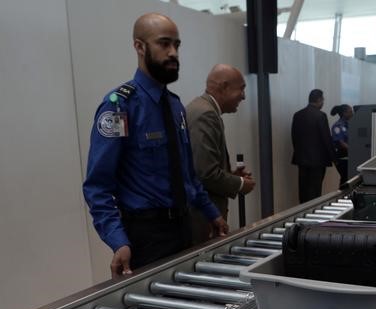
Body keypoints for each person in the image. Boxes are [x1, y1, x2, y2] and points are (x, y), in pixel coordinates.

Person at [83, 13, 228, 277]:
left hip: (184, 228)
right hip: (147, 236)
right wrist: (118, 241)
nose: (173, 52)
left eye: (177, 45)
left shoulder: (175, 106)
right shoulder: (119, 107)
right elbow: (98, 186)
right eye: (164, 44)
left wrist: (211, 213)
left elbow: (187, 175)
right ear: (139, 46)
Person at [186, 64, 256, 244]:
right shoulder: (205, 114)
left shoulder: (203, 109)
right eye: (241, 89)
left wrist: (230, 176)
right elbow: (205, 173)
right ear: (224, 87)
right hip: (203, 217)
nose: (243, 96)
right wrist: (240, 184)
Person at [291, 89, 335, 203]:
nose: (323, 102)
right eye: (323, 100)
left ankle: (301, 214)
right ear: (319, 100)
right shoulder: (321, 116)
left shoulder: (297, 115)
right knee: (315, 191)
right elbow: (326, 138)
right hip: (318, 161)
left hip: (302, 160)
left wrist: (299, 153)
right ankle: (313, 216)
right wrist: (334, 158)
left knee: (303, 190)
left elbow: (294, 137)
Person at [330, 104, 353, 187]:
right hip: (341, 155)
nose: (352, 113)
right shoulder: (338, 126)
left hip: (348, 154)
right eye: (350, 112)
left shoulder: (350, 124)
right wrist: (354, 150)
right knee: (345, 178)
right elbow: (341, 143)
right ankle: (342, 197)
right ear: (344, 113)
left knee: (349, 178)